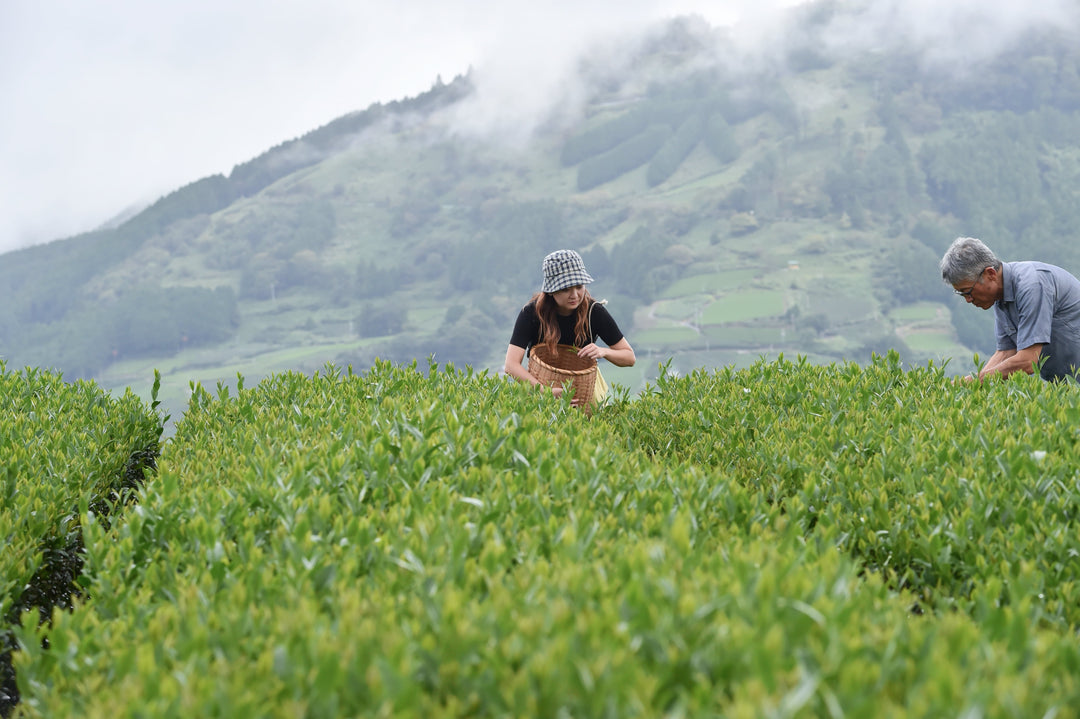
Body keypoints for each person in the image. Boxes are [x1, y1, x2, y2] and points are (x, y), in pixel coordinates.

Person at [940, 236, 1080, 382]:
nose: (968, 300)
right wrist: (970, 386)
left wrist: (971, 382)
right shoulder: (1001, 297)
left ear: (990, 274)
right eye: (961, 294)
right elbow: (1006, 352)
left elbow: (1027, 361)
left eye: (968, 291)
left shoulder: (1032, 286)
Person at [504, 249, 635, 404]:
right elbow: (511, 365)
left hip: (586, 390)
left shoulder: (594, 312)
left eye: (579, 286)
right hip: (539, 386)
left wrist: (603, 351)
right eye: (565, 289)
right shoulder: (532, 314)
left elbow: (629, 357)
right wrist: (545, 392)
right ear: (551, 290)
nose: (574, 295)